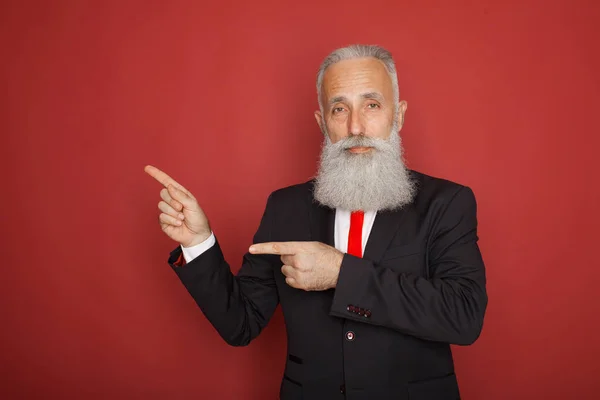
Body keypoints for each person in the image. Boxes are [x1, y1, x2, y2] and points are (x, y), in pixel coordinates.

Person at [145, 44, 487, 400]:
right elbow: (241, 324)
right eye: (340, 109)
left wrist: (341, 273)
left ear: (397, 115)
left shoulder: (446, 203)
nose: (356, 126)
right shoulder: (285, 207)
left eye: (372, 105)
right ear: (322, 122)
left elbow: (463, 316)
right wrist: (198, 242)